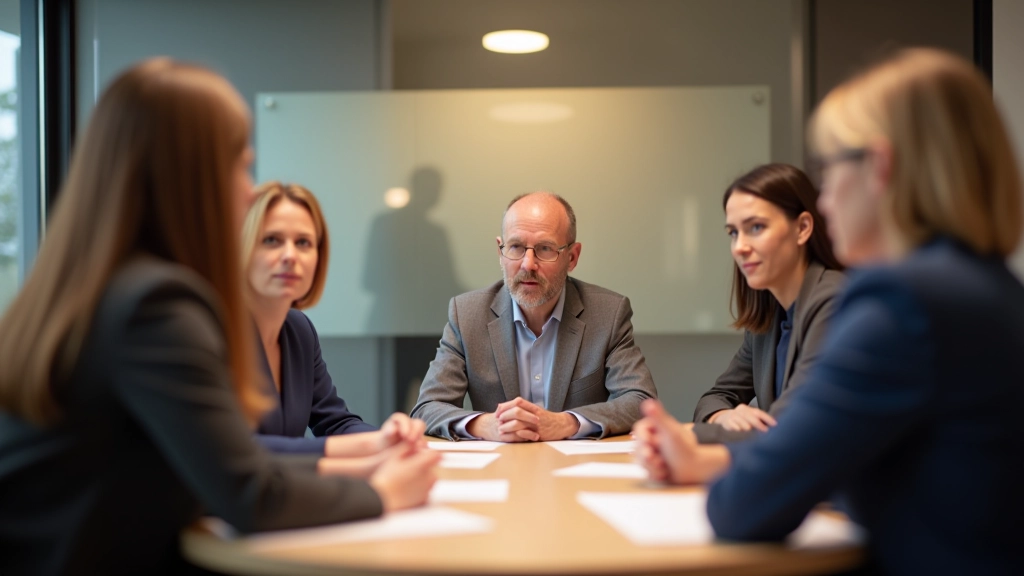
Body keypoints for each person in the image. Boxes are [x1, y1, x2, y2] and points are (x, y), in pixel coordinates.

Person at [0, 59, 439, 575]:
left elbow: (213, 465)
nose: (248, 190)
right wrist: (380, 491)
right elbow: (249, 493)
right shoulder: (156, 307)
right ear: (189, 177)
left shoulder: (99, 285)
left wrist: (364, 454)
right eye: (239, 166)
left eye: (305, 243)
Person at [634, 48, 1024, 574]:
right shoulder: (988, 287)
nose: (825, 198)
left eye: (831, 166)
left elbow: (744, 506)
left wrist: (706, 455)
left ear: (880, 167)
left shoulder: (898, 301)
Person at [411, 191, 658, 441]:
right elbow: (427, 408)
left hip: (575, 471)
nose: (528, 264)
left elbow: (640, 401)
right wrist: (486, 425)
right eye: (516, 247)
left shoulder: (607, 314)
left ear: (572, 257)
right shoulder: (467, 315)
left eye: (545, 249)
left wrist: (566, 423)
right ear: (500, 252)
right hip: (497, 472)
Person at [244, 181, 423, 460]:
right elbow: (237, 449)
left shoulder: (298, 330)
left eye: (303, 242)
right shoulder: (213, 331)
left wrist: (386, 437)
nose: (290, 256)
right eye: (271, 240)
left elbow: (335, 422)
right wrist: (366, 449)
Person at [692, 164, 844, 444]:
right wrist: (722, 417)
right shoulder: (769, 316)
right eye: (733, 233)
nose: (739, 247)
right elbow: (715, 398)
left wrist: (697, 435)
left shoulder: (835, 302)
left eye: (756, 227)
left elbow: (794, 428)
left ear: (802, 228)